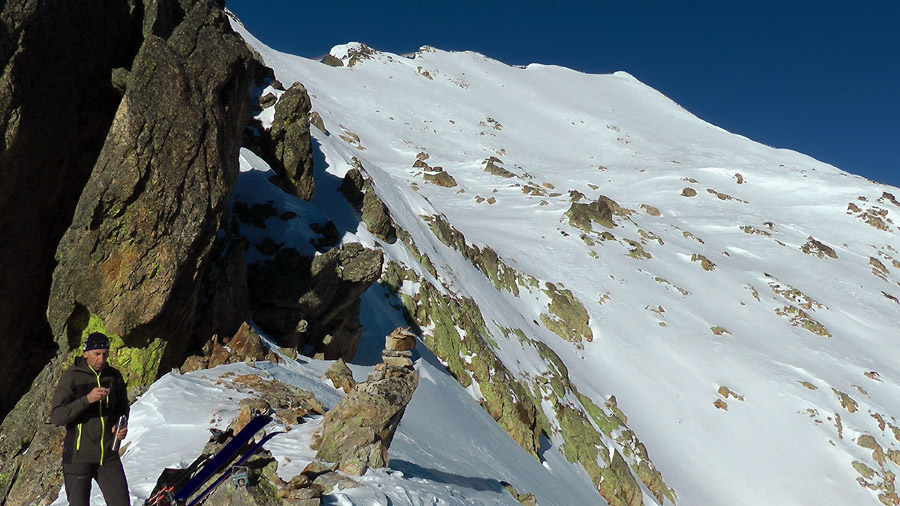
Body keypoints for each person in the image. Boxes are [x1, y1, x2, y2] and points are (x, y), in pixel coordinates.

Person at [50, 332, 131, 506]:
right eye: (97, 354)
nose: (101, 359)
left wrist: (119, 426)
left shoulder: (114, 376)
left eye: (105, 354)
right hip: (79, 458)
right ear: (85, 353)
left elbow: (123, 407)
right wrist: (87, 400)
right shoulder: (72, 377)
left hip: (108, 456)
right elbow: (57, 416)